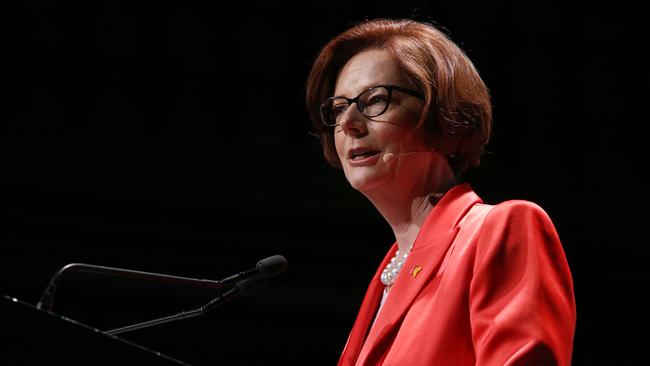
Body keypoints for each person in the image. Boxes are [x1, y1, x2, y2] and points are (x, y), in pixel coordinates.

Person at [305, 19, 576, 365]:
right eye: (340, 108)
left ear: (445, 121)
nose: (348, 123)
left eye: (375, 100)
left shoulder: (500, 229)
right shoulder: (385, 276)